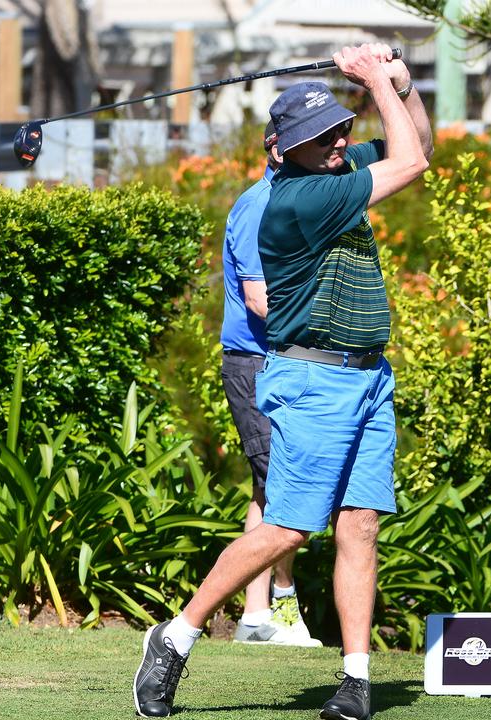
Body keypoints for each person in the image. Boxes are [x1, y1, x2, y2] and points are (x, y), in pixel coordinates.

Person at [133, 43, 432, 719]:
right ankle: (176, 637)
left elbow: (419, 144)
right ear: (279, 151)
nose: (337, 142)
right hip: (311, 379)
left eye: (339, 131)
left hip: (367, 377)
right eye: (319, 137)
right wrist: (369, 79)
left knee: (359, 525)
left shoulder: (332, 166)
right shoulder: (299, 200)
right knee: (288, 528)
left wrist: (400, 83)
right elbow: (410, 164)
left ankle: (354, 680)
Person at [219, 121, 322, 648]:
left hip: (285, 360)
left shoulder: (302, 195)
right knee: (283, 484)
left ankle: (256, 615)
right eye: (308, 142)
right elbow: (261, 301)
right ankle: (279, 606)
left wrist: (393, 88)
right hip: (257, 362)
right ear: (277, 149)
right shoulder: (261, 206)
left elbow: (413, 153)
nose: (324, 150)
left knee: (267, 485)